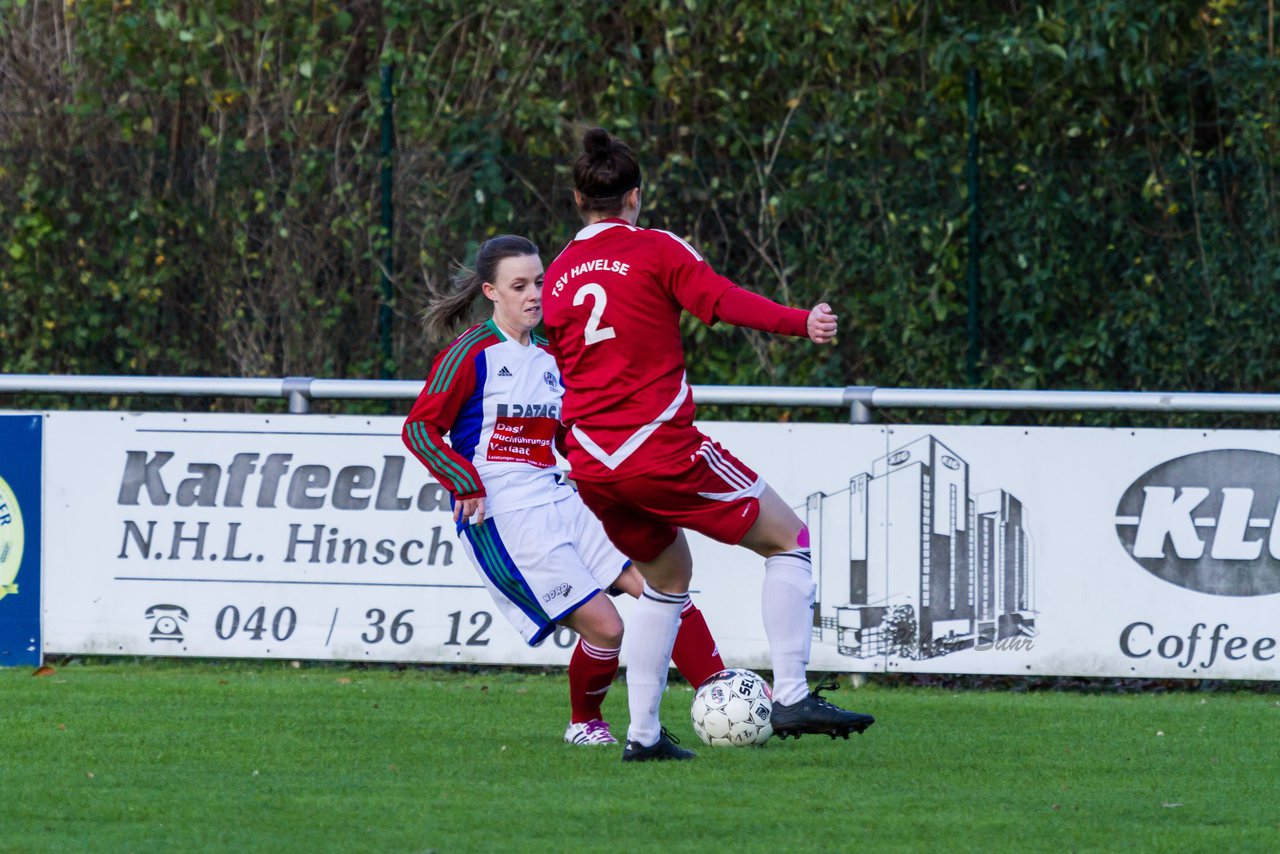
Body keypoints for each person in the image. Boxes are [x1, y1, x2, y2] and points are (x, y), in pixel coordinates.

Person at [542, 128, 876, 762]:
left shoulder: (556, 275)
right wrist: (799, 321)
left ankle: (642, 736)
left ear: (578, 197)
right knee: (790, 538)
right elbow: (718, 301)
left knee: (666, 581)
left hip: (593, 466)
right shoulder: (655, 249)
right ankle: (793, 693)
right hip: (660, 449)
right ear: (634, 197)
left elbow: (552, 368)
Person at [401, 234, 725, 747]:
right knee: (608, 629)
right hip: (504, 512)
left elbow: (566, 437)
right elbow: (419, 428)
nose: (535, 294)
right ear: (491, 292)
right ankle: (585, 722)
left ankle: (723, 692)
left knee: (662, 586)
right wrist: (462, 480)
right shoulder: (470, 354)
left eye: (541, 282)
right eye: (520, 285)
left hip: (558, 494)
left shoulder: (555, 358)